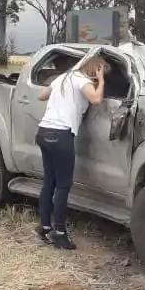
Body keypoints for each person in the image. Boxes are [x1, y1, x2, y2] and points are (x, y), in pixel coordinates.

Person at [35, 55, 108, 249]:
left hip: (43, 132)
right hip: (61, 135)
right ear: (95, 68)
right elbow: (96, 99)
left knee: (49, 181)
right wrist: (101, 81)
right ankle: (59, 232)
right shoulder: (82, 80)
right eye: (101, 70)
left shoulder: (63, 78)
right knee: (63, 185)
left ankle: (43, 227)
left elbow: (41, 95)